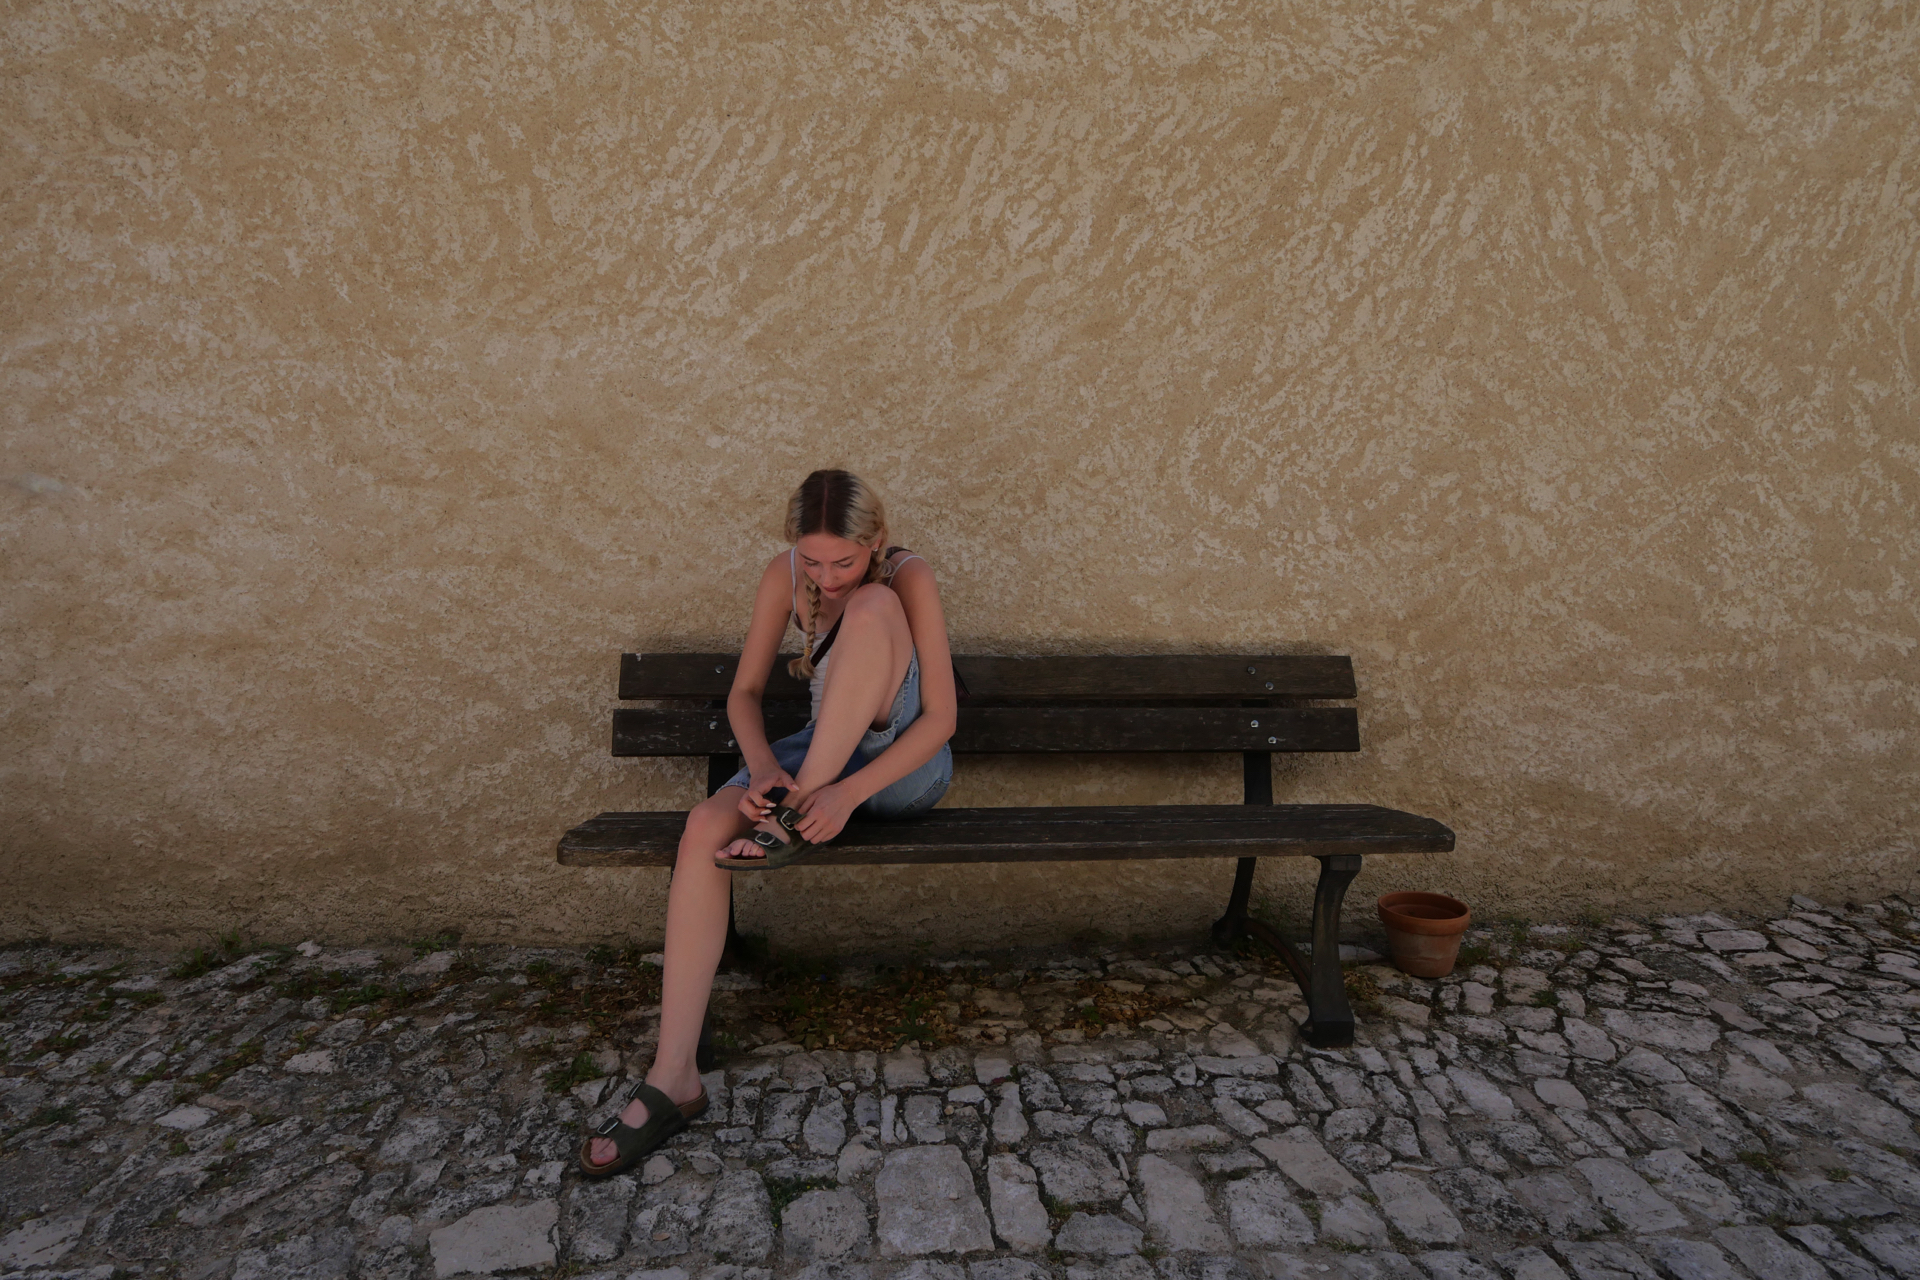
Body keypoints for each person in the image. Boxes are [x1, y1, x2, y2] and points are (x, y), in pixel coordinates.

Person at [579, 469, 958, 1176]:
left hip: (897, 766)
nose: (826, 577)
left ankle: (789, 813)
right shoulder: (782, 578)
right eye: (812, 561)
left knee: (872, 606)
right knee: (703, 827)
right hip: (813, 764)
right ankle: (674, 1075)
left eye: (842, 561)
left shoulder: (904, 576)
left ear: (875, 539)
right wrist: (759, 770)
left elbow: (940, 720)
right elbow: (745, 693)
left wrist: (841, 796)